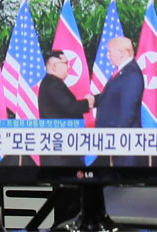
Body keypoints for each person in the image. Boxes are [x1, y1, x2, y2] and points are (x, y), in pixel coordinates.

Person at [38, 50, 94, 166]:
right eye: (66, 63)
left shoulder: (52, 83)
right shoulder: (52, 84)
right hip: (60, 152)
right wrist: (88, 102)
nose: (69, 67)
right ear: (54, 66)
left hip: (62, 149)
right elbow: (70, 107)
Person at [94, 37, 144, 165]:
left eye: (110, 51)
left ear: (122, 53)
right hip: (115, 141)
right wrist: (94, 100)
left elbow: (127, 111)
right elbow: (113, 96)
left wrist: (117, 139)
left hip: (124, 144)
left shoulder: (131, 74)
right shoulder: (123, 71)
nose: (107, 55)